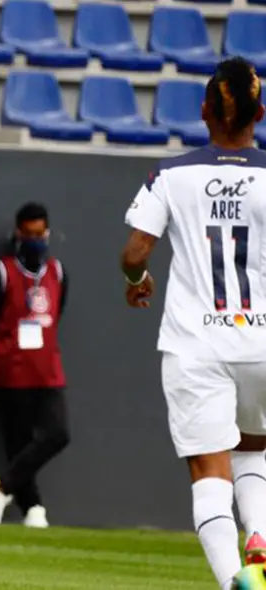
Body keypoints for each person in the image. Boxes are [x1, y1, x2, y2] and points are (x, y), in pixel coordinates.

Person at [121, 57, 266, 590]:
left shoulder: (172, 175)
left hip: (196, 345)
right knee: (254, 447)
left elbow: (135, 252)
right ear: (260, 115)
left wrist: (138, 279)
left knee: (209, 472)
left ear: (204, 112)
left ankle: (234, 581)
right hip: (261, 341)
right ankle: (261, 536)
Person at [0, 202, 70, 529]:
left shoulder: (57, 272)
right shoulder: (1, 273)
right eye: (28, 234)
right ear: (18, 234)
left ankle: (1, 487)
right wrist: (2, 352)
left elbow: (58, 312)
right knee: (18, 441)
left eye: (39, 234)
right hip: (12, 370)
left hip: (47, 368)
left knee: (57, 433)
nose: (35, 240)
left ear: (48, 233)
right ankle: (33, 508)